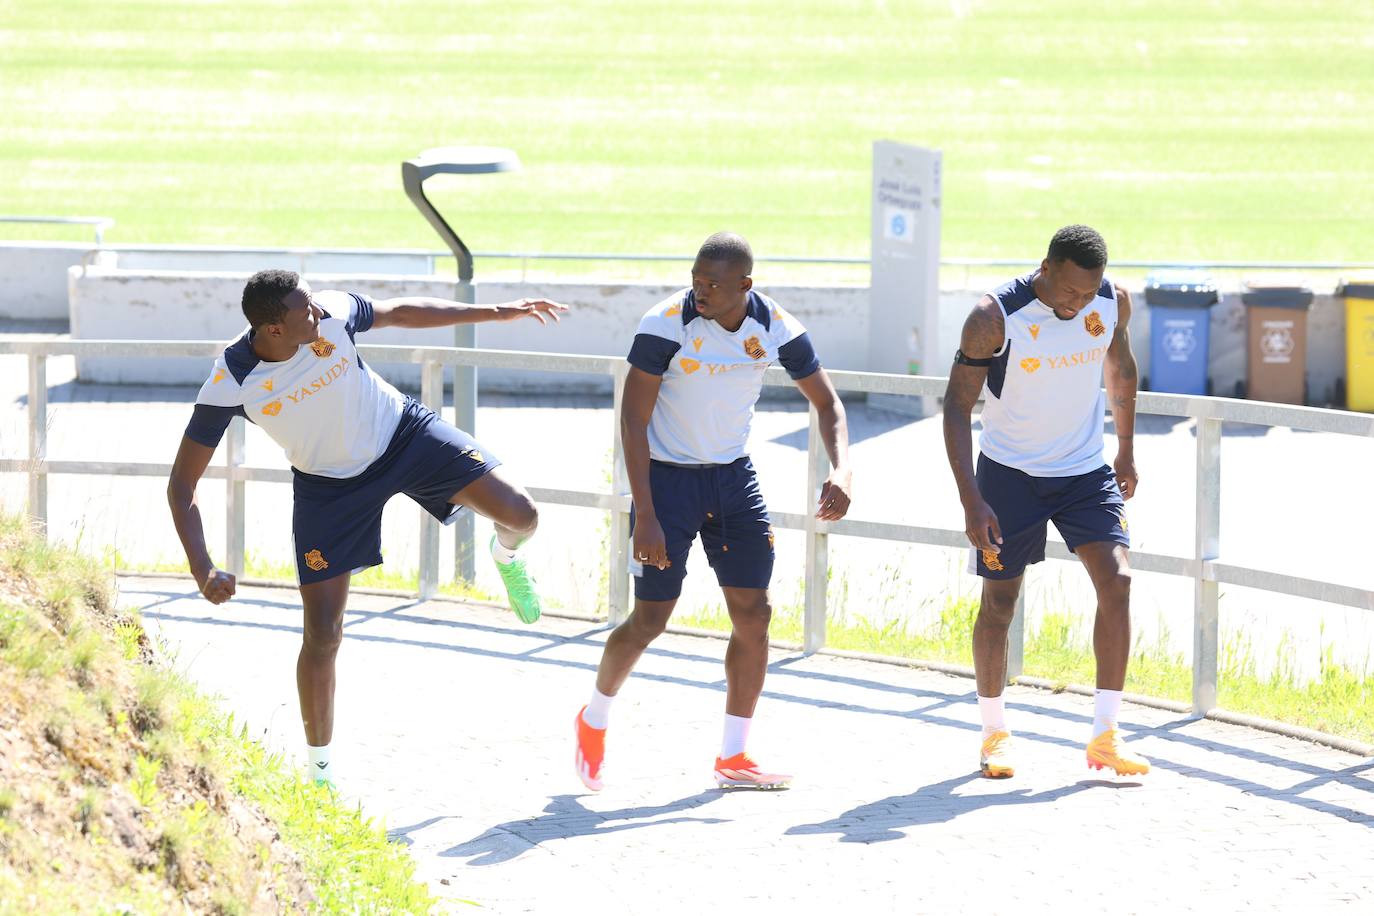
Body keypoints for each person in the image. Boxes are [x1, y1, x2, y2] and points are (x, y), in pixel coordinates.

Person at [167, 269, 568, 785]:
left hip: (404, 436)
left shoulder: (330, 314)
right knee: (323, 633)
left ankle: (506, 556)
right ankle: (320, 775)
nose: (318, 311)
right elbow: (182, 485)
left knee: (522, 514)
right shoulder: (231, 380)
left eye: (313, 302)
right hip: (330, 489)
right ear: (273, 329)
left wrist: (496, 312)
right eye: (305, 310)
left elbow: (401, 312)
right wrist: (202, 568)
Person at [573, 232, 853, 791]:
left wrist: (842, 468)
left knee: (755, 615)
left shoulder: (774, 326)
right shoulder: (665, 324)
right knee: (651, 619)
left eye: (713, 284)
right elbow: (632, 421)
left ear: (745, 285)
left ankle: (733, 756)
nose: (700, 291)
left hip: (733, 481)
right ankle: (593, 719)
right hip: (665, 484)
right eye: (696, 280)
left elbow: (827, 403)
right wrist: (646, 514)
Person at [942, 224, 1149, 778]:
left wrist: (1126, 449)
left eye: (1088, 292)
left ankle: (1106, 734)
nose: (1078, 304)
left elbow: (1120, 369)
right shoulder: (994, 317)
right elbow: (956, 406)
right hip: (1009, 476)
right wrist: (971, 500)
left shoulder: (1111, 302)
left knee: (1118, 581)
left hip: (1084, 472)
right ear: (1046, 267)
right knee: (1000, 603)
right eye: (1069, 291)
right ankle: (994, 734)